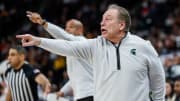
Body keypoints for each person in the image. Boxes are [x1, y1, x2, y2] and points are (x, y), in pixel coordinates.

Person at [16, 4, 165, 101]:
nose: (102, 23)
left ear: (121, 25)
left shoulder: (143, 46)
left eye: (108, 19)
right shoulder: (95, 45)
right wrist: (38, 41)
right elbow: (65, 46)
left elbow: (158, 80)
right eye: (101, 20)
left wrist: (43, 24)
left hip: (88, 94)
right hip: (82, 95)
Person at [26, 11, 94, 101]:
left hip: (89, 95)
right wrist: (63, 91)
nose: (67, 30)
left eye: (71, 27)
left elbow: (64, 36)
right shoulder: (74, 48)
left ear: (80, 30)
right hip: (85, 95)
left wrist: (43, 22)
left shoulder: (81, 41)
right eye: (66, 28)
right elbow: (78, 78)